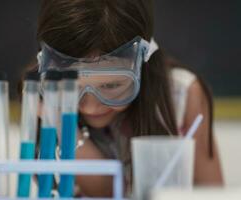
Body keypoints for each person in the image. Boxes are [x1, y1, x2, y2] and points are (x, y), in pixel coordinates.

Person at [29, 0, 223, 197]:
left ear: (142, 59)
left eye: (111, 85)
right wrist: (61, 123)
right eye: (72, 88)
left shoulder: (182, 95)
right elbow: (105, 191)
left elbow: (214, 193)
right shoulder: (42, 96)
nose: (91, 108)